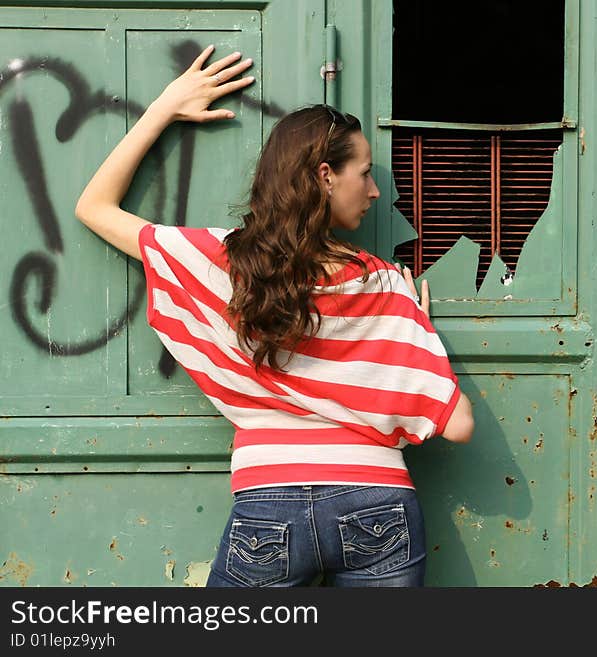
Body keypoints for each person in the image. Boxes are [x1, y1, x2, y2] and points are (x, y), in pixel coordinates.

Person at [75, 45, 474, 587]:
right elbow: (459, 425)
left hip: (268, 504)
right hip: (379, 507)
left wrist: (166, 106)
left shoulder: (223, 263)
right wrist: (417, 330)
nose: (377, 191)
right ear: (326, 175)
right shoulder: (382, 284)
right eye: (365, 173)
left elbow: (93, 206)